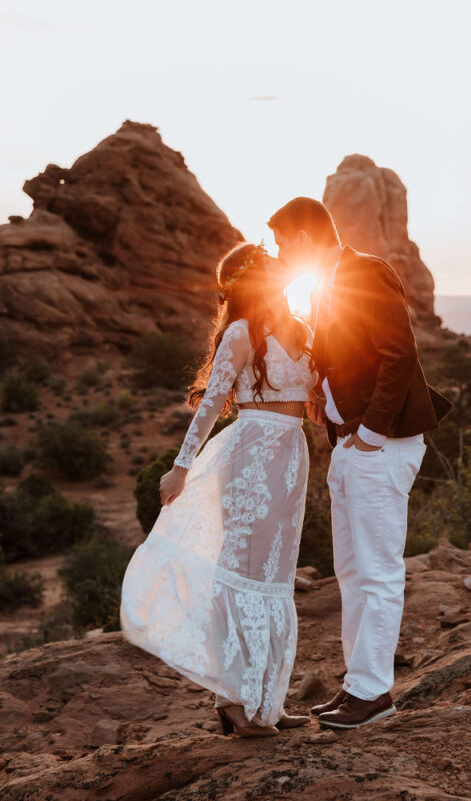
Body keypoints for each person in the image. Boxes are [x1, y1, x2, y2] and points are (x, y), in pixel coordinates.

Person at [268, 197, 453, 730]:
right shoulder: (327, 284)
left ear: (304, 236)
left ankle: (373, 695)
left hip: (382, 442)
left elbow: (399, 354)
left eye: (283, 243)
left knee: (376, 571)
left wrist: (369, 433)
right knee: (351, 571)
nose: (282, 253)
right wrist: (335, 421)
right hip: (351, 444)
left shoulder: (365, 272)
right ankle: (357, 685)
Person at [120, 241, 317, 737]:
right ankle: (233, 700)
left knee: (276, 575)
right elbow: (210, 404)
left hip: (293, 452)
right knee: (244, 570)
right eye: (272, 271)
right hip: (251, 454)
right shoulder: (240, 332)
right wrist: (181, 467)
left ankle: (266, 701)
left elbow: (315, 399)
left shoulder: (301, 329)